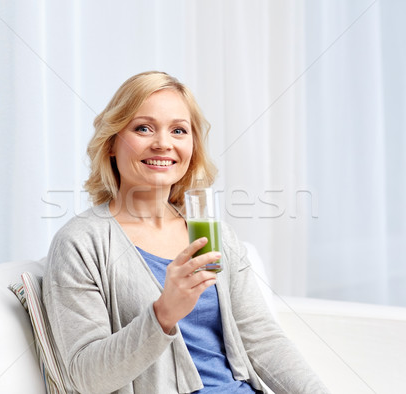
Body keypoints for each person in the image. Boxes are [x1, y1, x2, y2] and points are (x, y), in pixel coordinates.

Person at [43, 71, 329, 394]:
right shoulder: (80, 243)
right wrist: (163, 313)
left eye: (179, 130)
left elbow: (262, 338)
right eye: (143, 128)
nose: (163, 143)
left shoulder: (211, 233)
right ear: (111, 143)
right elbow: (86, 377)